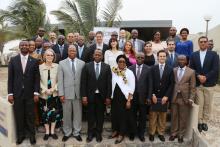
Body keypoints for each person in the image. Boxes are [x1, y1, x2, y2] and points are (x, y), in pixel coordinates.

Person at [8, 40, 40, 145]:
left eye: (26, 45)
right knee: (19, 115)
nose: (24, 46)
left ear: (29, 47)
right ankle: (20, 136)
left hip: (30, 94)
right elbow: (10, 78)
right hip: (17, 94)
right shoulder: (13, 60)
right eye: (22, 45)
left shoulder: (34, 61)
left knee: (30, 116)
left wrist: (36, 92)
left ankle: (32, 136)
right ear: (19, 47)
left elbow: (36, 78)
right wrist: (10, 94)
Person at [81, 49, 112, 143]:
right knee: (90, 116)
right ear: (93, 55)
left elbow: (109, 83)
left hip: (101, 96)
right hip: (90, 95)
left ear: (102, 56)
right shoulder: (87, 66)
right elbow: (83, 82)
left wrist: (108, 97)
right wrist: (84, 96)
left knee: (100, 116)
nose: (98, 56)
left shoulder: (107, 67)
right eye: (96, 54)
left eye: (99, 54)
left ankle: (99, 133)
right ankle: (90, 133)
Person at [189, 36, 219, 133]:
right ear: (198, 43)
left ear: (207, 43)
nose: (203, 43)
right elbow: (192, 68)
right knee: (199, 104)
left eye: (204, 42)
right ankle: (199, 122)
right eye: (201, 42)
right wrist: (198, 76)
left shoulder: (214, 55)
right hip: (198, 84)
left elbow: (215, 69)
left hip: (209, 84)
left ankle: (205, 121)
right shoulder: (194, 55)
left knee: (207, 104)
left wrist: (206, 77)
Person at [58, 45, 85, 142]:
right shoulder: (61, 63)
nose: (72, 51)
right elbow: (60, 80)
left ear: (76, 52)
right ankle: (67, 132)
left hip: (78, 94)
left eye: (74, 50)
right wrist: (61, 94)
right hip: (66, 93)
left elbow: (83, 80)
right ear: (67, 52)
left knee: (78, 114)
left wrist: (84, 94)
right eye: (70, 50)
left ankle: (76, 132)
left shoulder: (82, 63)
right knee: (66, 114)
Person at [149, 50, 174, 142]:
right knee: (153, 116)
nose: (162, 58)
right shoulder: (152, 68)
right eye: (160, 56)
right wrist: (152, 95)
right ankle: (151, 133)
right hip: (154, 96)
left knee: (163, 116)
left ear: (166, 58)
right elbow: (150, 83)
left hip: (164, 97)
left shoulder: (170, 69)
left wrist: (167, 96)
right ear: (157, 57)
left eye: (164, 56)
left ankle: (160, 133)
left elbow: (171, 84)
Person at [169, 55, 196, 143]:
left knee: (183, 117)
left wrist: (191, 98)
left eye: (183, 59)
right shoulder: (174, 70)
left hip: (185, 98)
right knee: (174, 116)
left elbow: (193, 87)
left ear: (186, 61)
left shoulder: (191, 72)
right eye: (179, 59)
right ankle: (173, 133)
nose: (181, 61)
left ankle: (181, 134)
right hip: (174, 96)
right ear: (177, 60)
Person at [109, 55, 135, 144]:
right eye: (120, 61)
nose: (122, 63)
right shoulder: (114, 71)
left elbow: (132, 87)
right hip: (114, 97)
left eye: (123, 62)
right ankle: (115, 131)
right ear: (117, 62)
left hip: (124, 98)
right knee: (114, 115)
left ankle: (121, 133)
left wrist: (129, 100)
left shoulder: (129, 73)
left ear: (126, 63)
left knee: (122, 117)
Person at [128, 52, 152, 142]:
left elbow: (150, 84)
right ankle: (132, 133)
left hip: (144, 97)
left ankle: (141, 134)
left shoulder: (148, 69)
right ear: (135, 58)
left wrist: (149, 97)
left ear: (144, 58)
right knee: (132, 116)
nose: (140, 59)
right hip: (133, 97)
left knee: (142, 117)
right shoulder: (130, 68)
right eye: (138, 57)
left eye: (142, 57)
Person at [39, 49, 61, 140]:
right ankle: (47, 132)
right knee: (44, 114)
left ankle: (52, 131)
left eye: (51, 55)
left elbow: (60, 79)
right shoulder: (40, 67)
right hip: (44, 95)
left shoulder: (57, 66)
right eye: (48, 55)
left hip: (54, 94)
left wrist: (54, 88)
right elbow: (38, 80)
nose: (49, 57)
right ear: (44, 56)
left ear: (54, 57)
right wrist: (45, 90)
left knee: (54, 113)